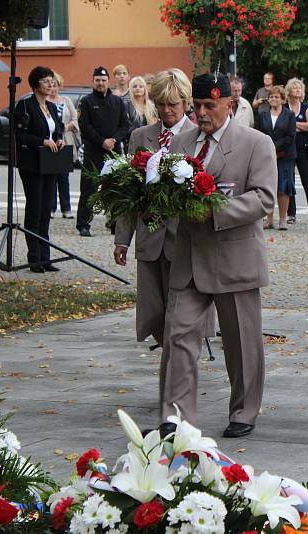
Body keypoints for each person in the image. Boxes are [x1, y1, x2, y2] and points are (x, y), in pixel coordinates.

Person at [159, 73, 277, 439]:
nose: (202, 113)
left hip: (234, 257)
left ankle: (244, 409)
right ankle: (175, 415)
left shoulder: (256, 143)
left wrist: (216, 211)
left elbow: (264, 198)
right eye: (197, 106)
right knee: (178, 336)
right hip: (189, 258)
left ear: (230, 104)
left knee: (241, 342)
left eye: (210, 106)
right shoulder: (181, 142)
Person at [113, 67, 206, 348]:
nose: (167, 110)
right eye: (161, 104)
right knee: (152, 311)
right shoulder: (140, 136)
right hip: (149, 236)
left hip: (184, 237)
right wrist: (122, 239)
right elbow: (129, 192)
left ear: (186, 103)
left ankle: (179, 356)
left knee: (182, 310)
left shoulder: (200, 135)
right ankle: (167, 349)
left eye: (173, 104)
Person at [13, 66, 64, 272]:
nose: (51, 84)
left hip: (50, 163)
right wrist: (42, 141)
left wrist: (58, 139)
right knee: (35, 208)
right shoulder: (25, 106)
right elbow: (21, 136)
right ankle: (34, 257)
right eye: (46, 81)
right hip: (32, 164)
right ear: (35, 85)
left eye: (52, 80)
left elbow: (57, 128)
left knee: (46, 210)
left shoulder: (51, 107)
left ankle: (45, 256)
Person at [76, 66, 131, 237]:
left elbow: (125, 125)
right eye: (98, 80)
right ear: (93, 81)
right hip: (94, 152)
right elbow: (85, 127)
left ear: (108, 81)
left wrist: (114, 140)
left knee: (115, 188)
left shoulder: (117, 101)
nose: (101, 83)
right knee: (88, 189)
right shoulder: (87, 102)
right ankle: (83, 224)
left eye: (104, 80)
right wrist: (102, 142)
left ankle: (114, 223)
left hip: (114, 152)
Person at [257, 85, 296, 230]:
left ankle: (283, 219)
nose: (273, 99)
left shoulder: (289, 115)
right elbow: (258, 134)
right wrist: (267, 147)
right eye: (271, 97)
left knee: (283, 187)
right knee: (268, 187)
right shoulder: (262, 114)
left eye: (277, 97)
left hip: (284, 155)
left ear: (283, 100)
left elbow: (291, 136)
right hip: (266, 156)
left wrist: (274, 146)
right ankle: (269, 219)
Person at [285, 78, 308, 225]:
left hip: (303, 148)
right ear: (289, 91)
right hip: (287, 148)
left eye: (299, 88)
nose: (297, 90)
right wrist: (300, 126)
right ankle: (291, 214)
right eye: (294, 88)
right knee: (289, 181)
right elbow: (282, 127)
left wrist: (293, 124)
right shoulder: (283, 107)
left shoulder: (306, 107)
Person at [47, 72, 78, 219]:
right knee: (51, 176)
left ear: (60, 86)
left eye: (55, 85)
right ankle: (51, 208)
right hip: (50, 141)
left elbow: (74, 118)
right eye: (50, 85)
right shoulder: (45, 101)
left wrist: (67, 126)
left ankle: (66, 208)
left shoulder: (66, 100)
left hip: (65, 140)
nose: (53, 88)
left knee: (63, 177)